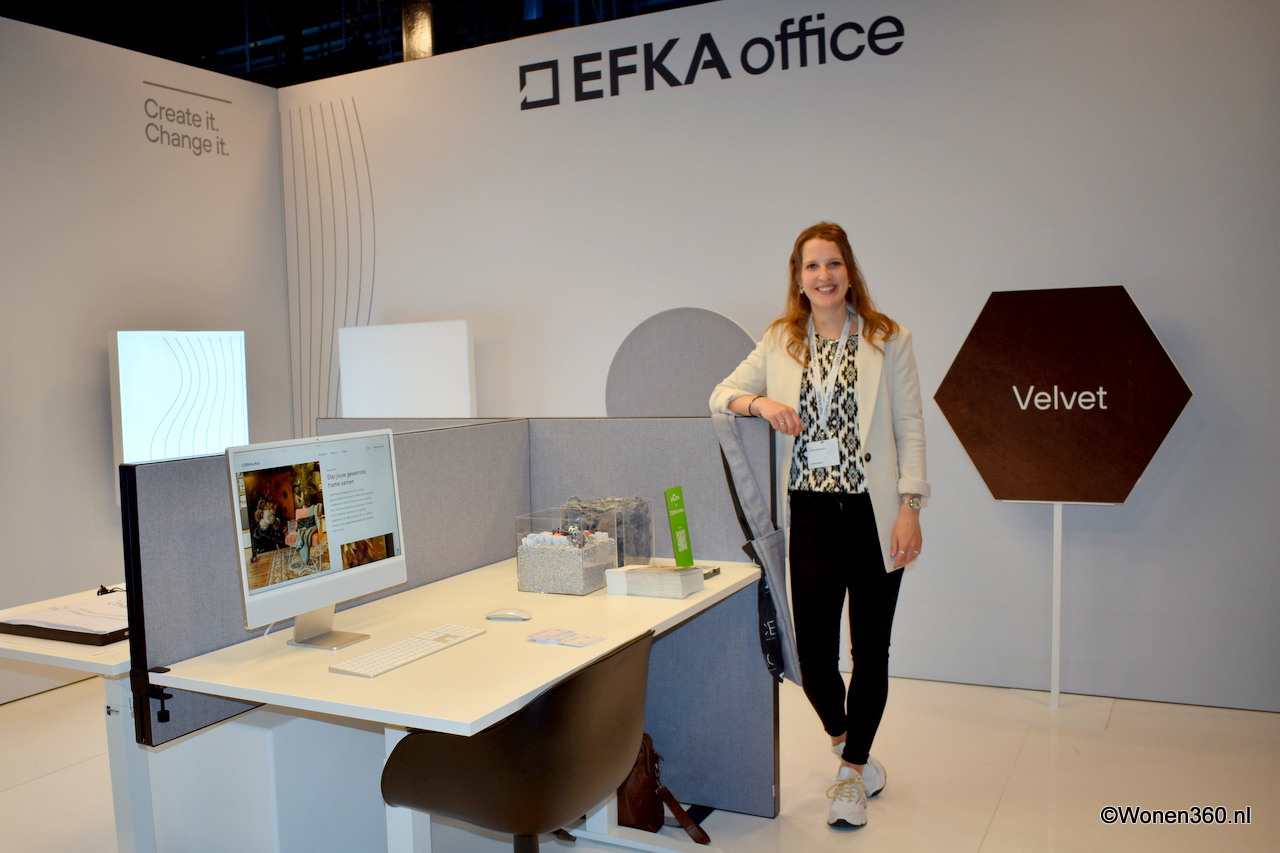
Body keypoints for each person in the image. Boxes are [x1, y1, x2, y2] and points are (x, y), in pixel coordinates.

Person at [709, 222, 929, 829]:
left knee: (871, 647)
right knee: (810, 652)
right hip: (809, 512)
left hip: (873, 512)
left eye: (833, 263)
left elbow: (910, 425)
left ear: (849, 272)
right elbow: (721, 394)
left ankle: (851, 774)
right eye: (812, 266)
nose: (824, 276)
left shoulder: (889, 338)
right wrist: (760, 403)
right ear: (799, 277)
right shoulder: (781, 339)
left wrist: (911, 507)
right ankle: (845, 739)